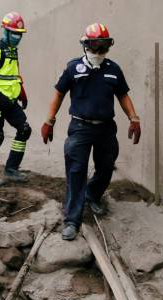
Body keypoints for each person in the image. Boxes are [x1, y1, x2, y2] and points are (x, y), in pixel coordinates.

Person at [41, 23, 142, 241]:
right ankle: (72, 220)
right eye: (95, 45)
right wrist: (49, 120)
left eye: (103, 45)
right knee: (76, 171)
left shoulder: (114, 69)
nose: (99, 51)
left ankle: (93, 194)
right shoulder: (73, 68)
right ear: (86, 45)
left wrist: (134, 118)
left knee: (107, 165)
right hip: (80, 128)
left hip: (106, 128)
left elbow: (123, 95)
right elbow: (58, 94)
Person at [0, 11, 32, 187]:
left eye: (20, 34)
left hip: (10, 101)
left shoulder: (13, 51)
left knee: (24, 129)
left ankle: (11, 169)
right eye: (14, 34)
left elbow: (12, 77)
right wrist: (1, 97)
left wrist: (22, 93)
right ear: (5, 31)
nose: (17, 37)